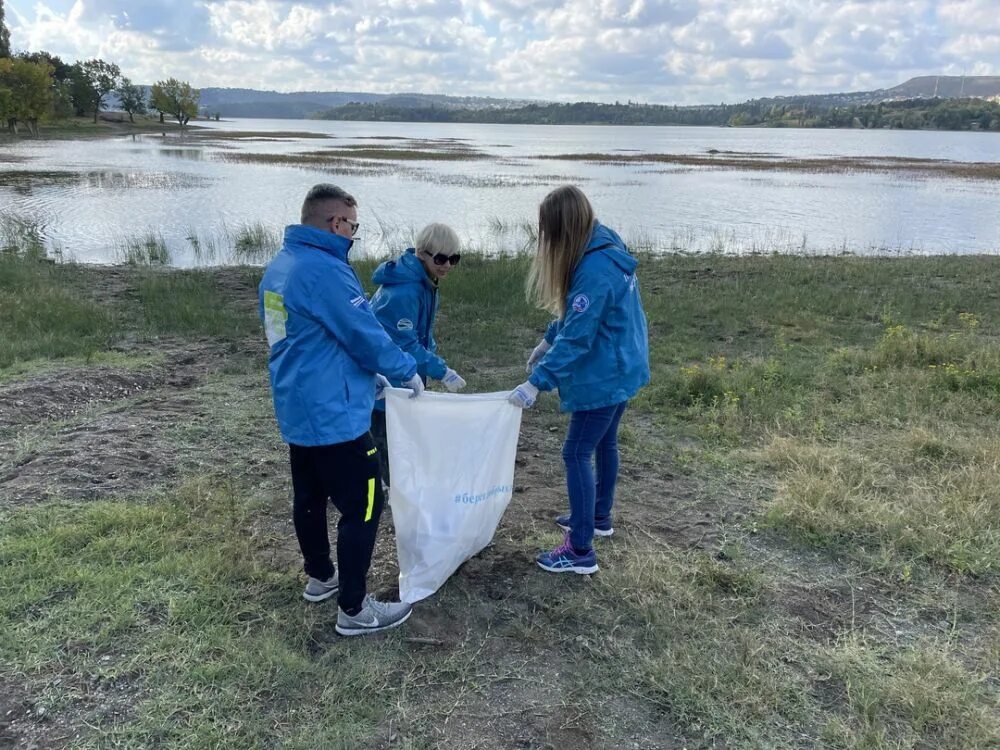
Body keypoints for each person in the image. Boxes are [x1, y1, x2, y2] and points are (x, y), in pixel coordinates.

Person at [259, 183, 424, 636]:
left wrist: (367, 378)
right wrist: (404, 369)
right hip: (335, 416)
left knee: (309, 495)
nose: (354, 233)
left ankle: (321, 577)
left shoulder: (281, 265)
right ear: (337, 223)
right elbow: (362, 331)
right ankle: (354, 609)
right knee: (366, 504)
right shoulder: (326, 270)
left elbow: (305, 341)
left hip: (298, 407)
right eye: (353, 225)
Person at [508, 185, 650, 574]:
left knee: (574, 453)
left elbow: (579, 336)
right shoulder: (605, 243)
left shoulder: (593, 270)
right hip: (624, 365)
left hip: (605, 374)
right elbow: (579, 317)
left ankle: (580, 550)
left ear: (561, 230)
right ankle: (598, 518)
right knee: (605, 442)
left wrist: (537, 382)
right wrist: (546, 338)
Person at [369, 223, 467, 485]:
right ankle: (390, 490)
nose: (447, 265)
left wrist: (430, 358)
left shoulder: (422, 280)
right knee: (385, 436)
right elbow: (405, 344)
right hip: (386, 379)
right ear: (422, 253)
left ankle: (399, 482)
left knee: (403, 433)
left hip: (405, 372)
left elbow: (421, 334)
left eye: (454, 258)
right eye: (441, 258)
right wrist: (441, 369)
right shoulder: (405, 291)